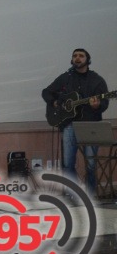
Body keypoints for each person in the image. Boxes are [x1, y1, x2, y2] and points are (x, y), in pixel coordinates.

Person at [42, 49, 109, 194]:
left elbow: (104, 103)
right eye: (75, 56)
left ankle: (90, 195)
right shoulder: (66, 78)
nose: (77, 58)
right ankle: (73, 195)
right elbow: (46, 92)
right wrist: (54, 102)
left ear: (88, 60)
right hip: (69, 125)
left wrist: (97, 105)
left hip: (90, 124)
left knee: (91, 163)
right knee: (67, 164)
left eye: (81, 56)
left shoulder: (97, 80)